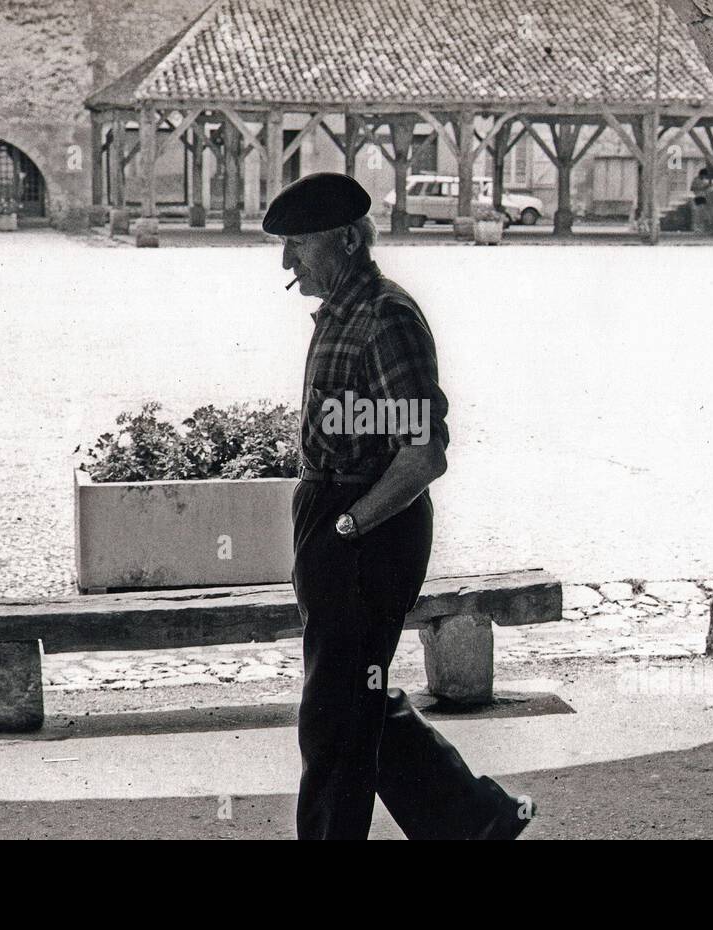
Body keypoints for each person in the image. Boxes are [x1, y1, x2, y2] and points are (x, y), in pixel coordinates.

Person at [264, 172, 535, 840]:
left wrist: (348, 526)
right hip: (338, 520)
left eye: (301, 244)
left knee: (333, 712)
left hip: (367, 530)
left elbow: (423, 454)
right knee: (362, 692)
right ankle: (474, 821)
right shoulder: (344, 313)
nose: (286, 262)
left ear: (350, 240)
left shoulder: (385, 318)